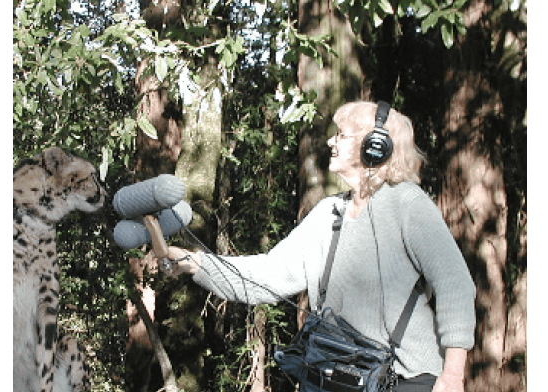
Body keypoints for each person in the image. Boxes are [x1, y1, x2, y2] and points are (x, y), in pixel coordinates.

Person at [162, 101, 476, 392]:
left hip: (409, 378)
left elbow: (455, 285)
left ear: (375, 146)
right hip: (342, 378)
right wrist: (194, 262)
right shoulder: (328, 213)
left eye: (341, 135)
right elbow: (269, 276)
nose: (330, 142)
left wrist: (452, 375)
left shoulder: (407, 204)